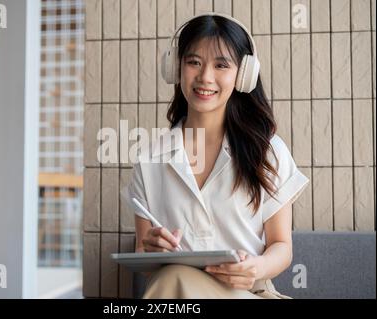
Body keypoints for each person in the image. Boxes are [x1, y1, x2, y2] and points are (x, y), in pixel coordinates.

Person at [125, 13, 309, 299]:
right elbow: (143, 256)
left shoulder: (268, 151)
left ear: (243, 74)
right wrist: (150, 250)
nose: (204, 77)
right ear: (176, 67)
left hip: (249, 293)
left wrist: (256, 267)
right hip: (176, 291)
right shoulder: (149, 160)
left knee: (170, 280)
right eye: (193, 62)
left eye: (221, 65)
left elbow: (282, 247)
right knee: (172, 277)